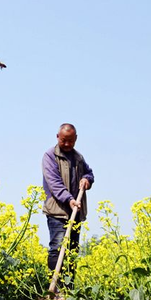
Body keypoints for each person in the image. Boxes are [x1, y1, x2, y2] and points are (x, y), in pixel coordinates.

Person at [42, 123, 94, 289]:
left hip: (75, 212)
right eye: (64, 140)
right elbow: (54, 183)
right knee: (57, 248)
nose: (67, 144)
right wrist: (69, 199)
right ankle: (54, 286)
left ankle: (68, 289)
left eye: (70, 141)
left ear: (76, 139)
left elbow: (89, 172)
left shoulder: (78, 157)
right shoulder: (50, 156)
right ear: (58, 137)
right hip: (57, 211)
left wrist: (87, 179)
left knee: (72, 251)